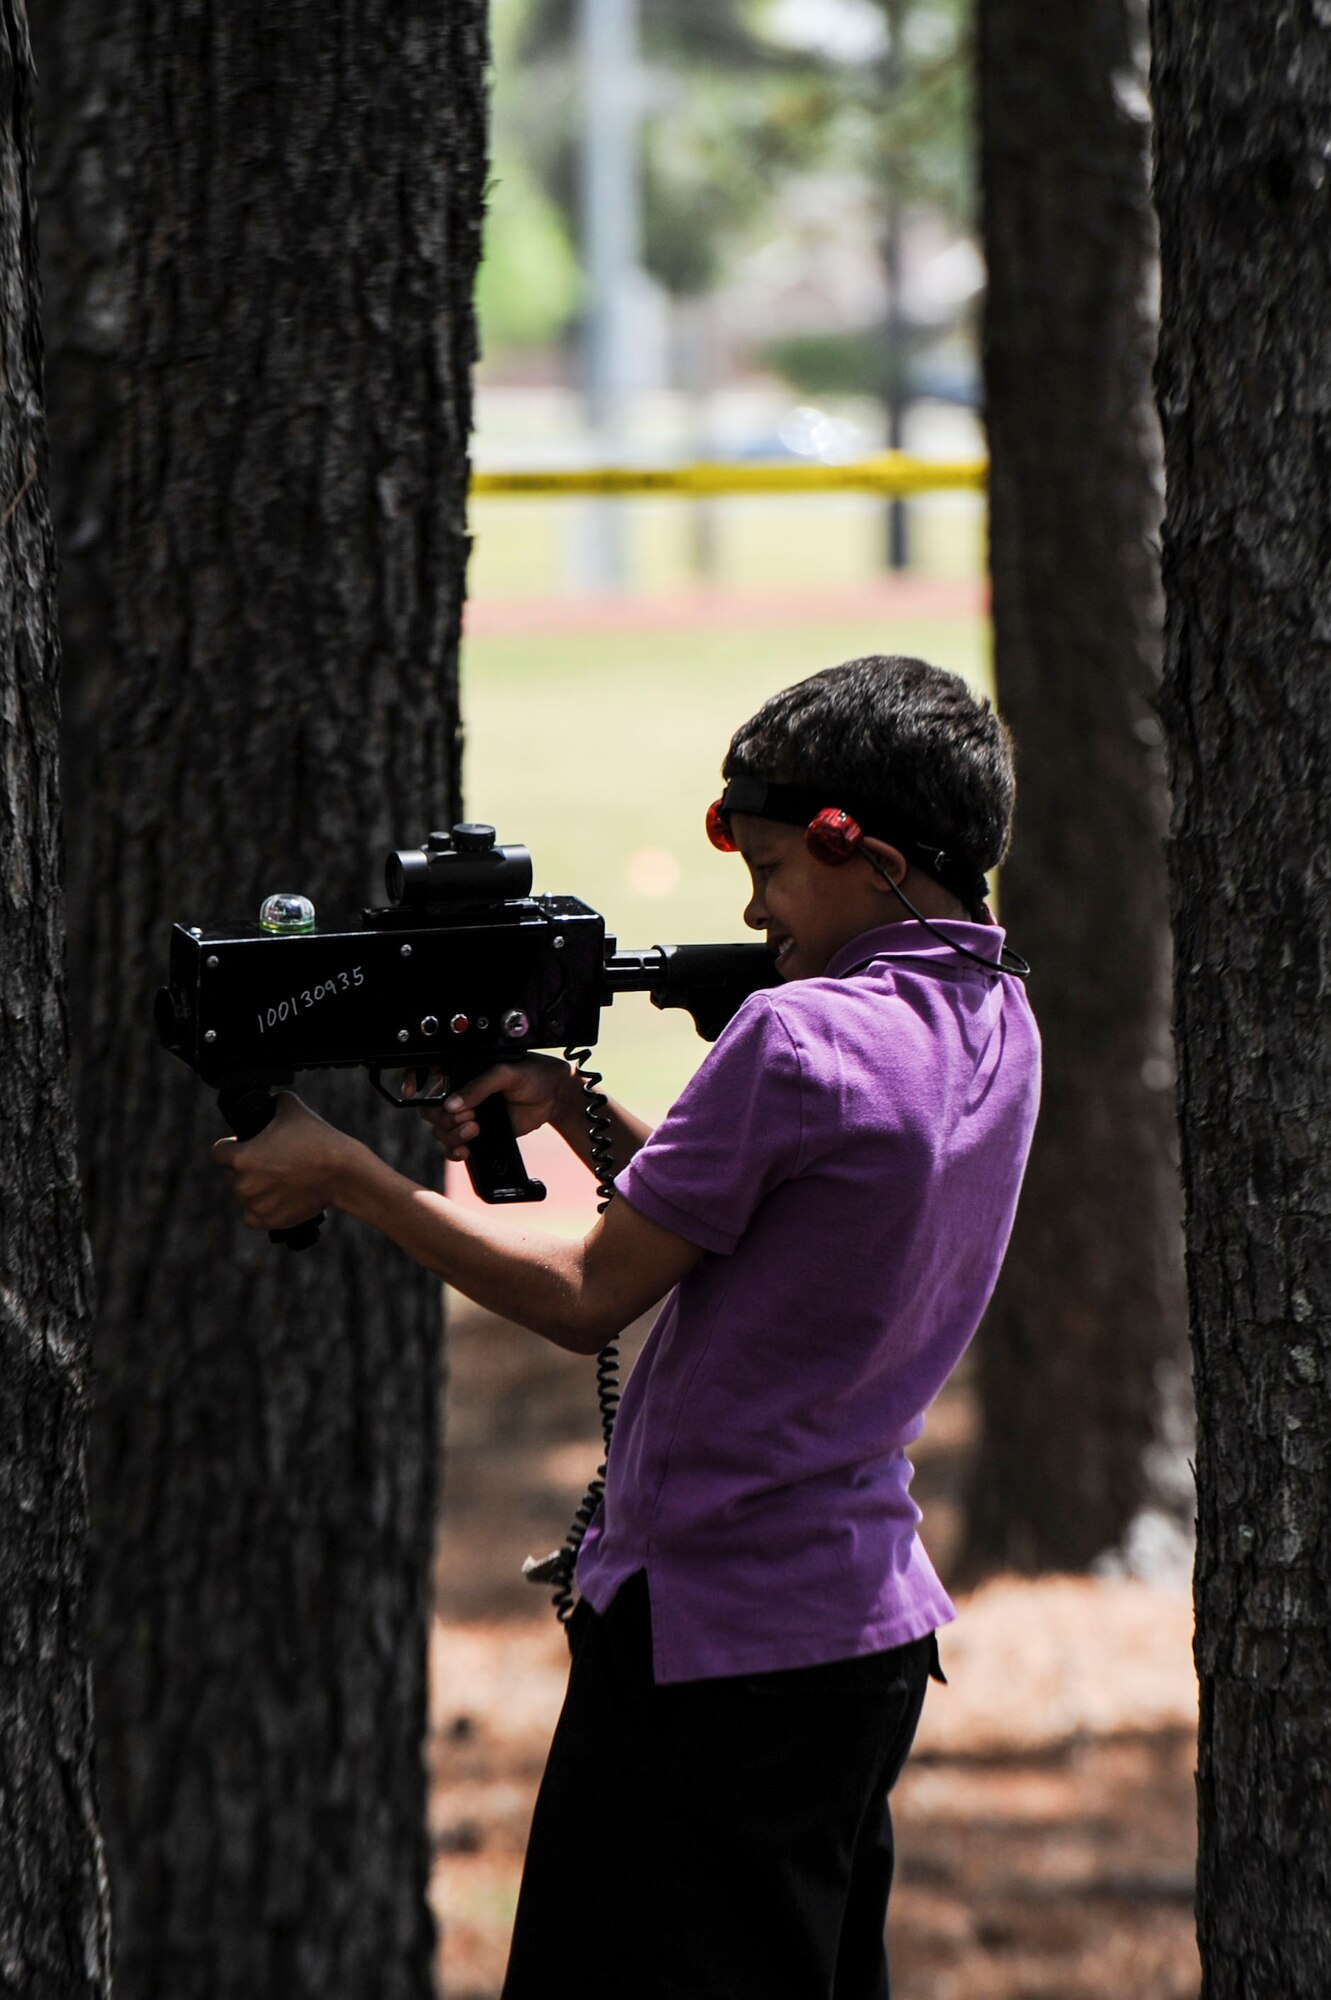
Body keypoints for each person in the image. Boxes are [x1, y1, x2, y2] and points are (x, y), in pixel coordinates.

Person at [213, 654, 1041, 2000]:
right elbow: (785, 1204)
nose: (754, 907)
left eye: (772, 869)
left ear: (874, 859)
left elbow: (587, 1294)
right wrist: (573, 1108)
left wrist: (349, 1177)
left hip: (714, 1646)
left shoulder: (798, 1039)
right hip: (860, 1638)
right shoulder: (994, 1017)